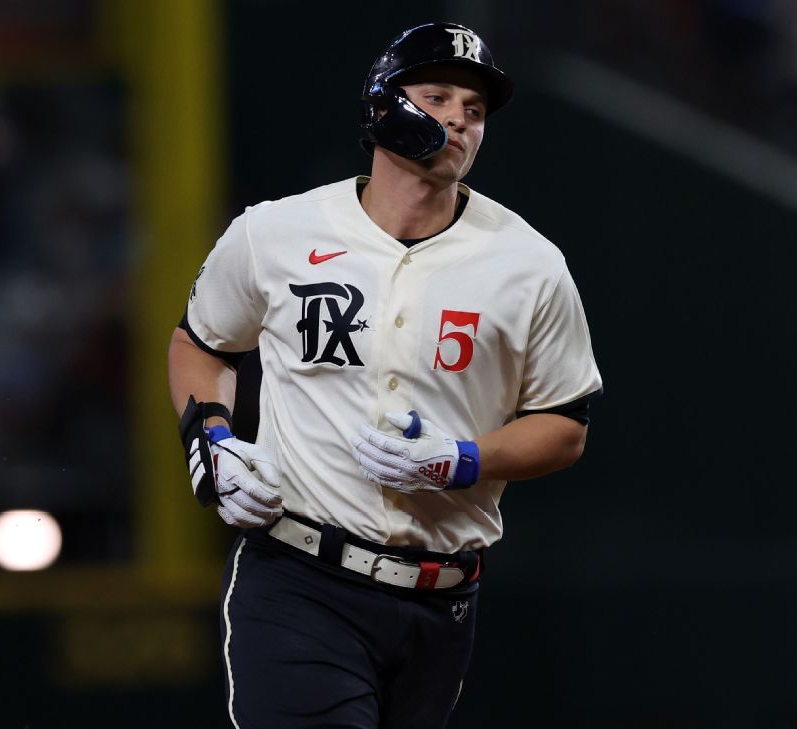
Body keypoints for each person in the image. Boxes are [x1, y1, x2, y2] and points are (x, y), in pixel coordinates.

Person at [167, 21, 602, 729]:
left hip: (442, 600)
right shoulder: (275, 232)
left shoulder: (530, 264)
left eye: (476, 109)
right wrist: (210, 442)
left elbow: (565, 425)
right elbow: (200, 344)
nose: (459, 119)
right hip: (299, 576)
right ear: (382, 107)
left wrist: (462, 459)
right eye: (438, 96)